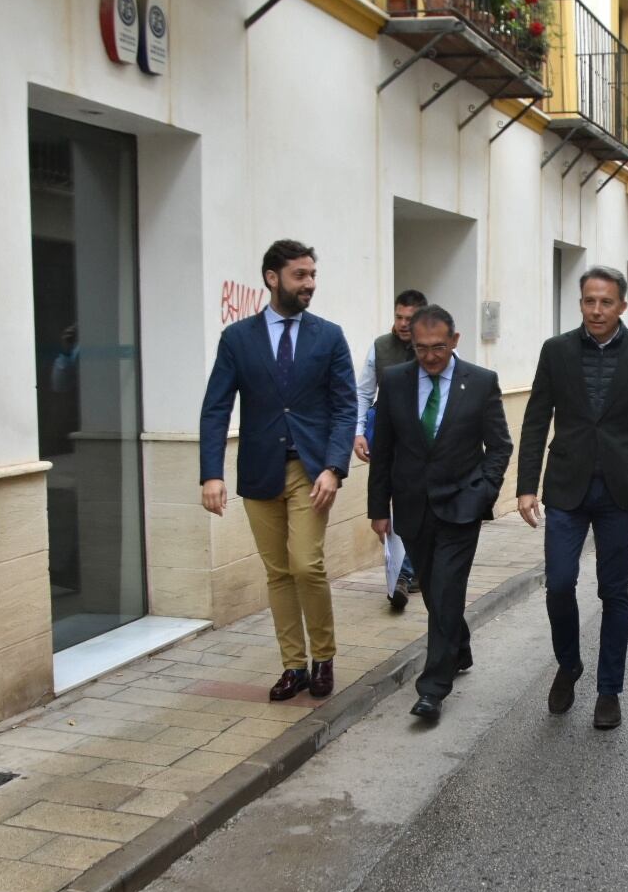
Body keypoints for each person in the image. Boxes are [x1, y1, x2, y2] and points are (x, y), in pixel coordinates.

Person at [517, 266, 628, 731]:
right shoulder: (557, 351)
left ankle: (609, 690)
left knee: (614, 592)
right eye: (589, 301)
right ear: (581, 303)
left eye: (606, 302)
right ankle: (569, 664)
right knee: (560, 583)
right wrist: (527, 484)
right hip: (567, 486)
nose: (597, 310)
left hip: (620, 491)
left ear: (622, 306)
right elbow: (535, 419)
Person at [200, 240, 356, 702]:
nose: (310, 283)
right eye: (300, 275)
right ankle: (294, 666)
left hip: (310, 470)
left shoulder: (328, 336)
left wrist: (334, 466)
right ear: (273, 277)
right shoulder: (238, 339)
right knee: (278, 573)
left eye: (312, 275)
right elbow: (216, 409)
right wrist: (212, 472)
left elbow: (346, 408)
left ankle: (323, 656)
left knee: (306, 564)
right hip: (260, 469)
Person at [368, 305, 511, 723]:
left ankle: (432, 688)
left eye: (438, 348)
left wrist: (483, 492)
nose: (430, 357)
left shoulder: (480, 383)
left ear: (455, 341)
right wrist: (379, 509)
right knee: (433, 590)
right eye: (420, 348)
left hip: (461, 506)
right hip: (412, 506)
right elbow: (385, 451)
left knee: (446, 590)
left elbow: (500, 446)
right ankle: (460, 646)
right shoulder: (395, 381)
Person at [354, 289, 428, 609]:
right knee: (397, 505)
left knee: (421, 506)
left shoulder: (433, 347)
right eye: (398, 316)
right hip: (390, 439)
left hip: (426, 443)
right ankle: (402, 574)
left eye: (409, 319)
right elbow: (363, 392)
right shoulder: (380, 348)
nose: (402, 324)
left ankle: (415, 569)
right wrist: (358, 433)